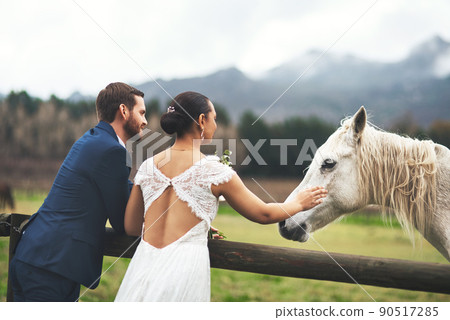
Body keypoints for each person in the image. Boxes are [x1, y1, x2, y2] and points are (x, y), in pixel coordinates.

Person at [114, 91, 327, 302]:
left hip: (143, 268)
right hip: (183, 270)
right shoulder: (214, 172)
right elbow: (263, 213)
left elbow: (132, 228)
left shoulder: (147, 167)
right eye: (214, 119)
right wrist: (299, 203)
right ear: (201, 121)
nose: (215, 125)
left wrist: (192, 225)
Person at [9, 82, 148, 302]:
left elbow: (126, 189)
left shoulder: (92, 140)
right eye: (141, 112)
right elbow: (123, 223)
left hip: (37, 258)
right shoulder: (112, 151)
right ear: (123, 111)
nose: (145, 121)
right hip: (52, 269)